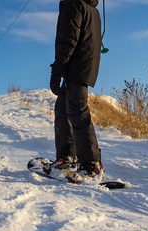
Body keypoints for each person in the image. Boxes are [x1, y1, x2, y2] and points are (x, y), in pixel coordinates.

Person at [46, 0, 104, 182]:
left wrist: (57, 69)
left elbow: (68, 39)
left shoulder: (74, 3)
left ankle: (92, 164)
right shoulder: (90, 7)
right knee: (63, 109)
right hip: (83, 64)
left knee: (77, 111)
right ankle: (67, 158)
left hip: (78, 65)